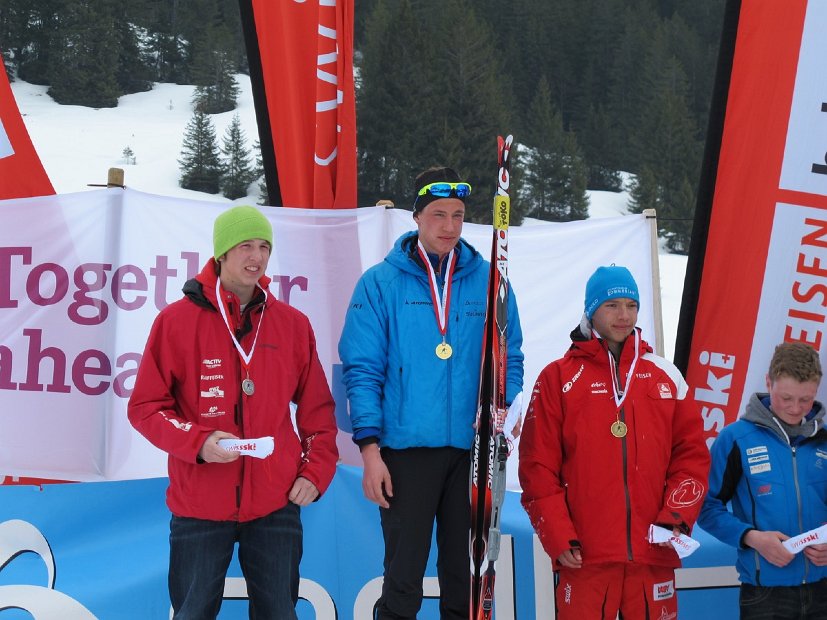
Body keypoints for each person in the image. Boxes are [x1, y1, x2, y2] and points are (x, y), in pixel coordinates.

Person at [128, 205, 338, 619]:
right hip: (200, 504)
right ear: (221, 253)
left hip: (275, 502)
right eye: (245, 246)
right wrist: (199, 442)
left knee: (279, 613)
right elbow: (146, 408)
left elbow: (318, 410)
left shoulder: (292, 324)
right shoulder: (176, 321)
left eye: (264, 247)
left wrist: (315, 472)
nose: (256, 257)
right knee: (192, 613)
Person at [338, 166, 524, 619]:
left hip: (471, 453)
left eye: (458, 215)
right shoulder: (381, 283)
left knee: (466, 579)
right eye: (439, 214)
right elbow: (362, 371)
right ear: (417, 217)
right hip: (405, 453)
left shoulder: (491, 281)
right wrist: (370, 451)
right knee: (403, 580)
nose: (449, 226)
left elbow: (510, 356)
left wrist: (502, 404)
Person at [518, 264, 710, 619]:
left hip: (653, 551)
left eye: (631, 305)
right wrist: (558, 536)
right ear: (592, 309)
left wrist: (675, 518)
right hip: (585, 556)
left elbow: (692, 458)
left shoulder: (665, 375)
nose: (624, 315)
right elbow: (537, 467)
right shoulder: (558, 377)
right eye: (612, 305)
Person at [698, 342, 827, 619]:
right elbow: (706, 507)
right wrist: (752, 538)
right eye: (786, 397)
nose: (795, 408)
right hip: (765, 596)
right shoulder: (735, 439)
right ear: (769, 383)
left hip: (823, 589)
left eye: (805, 400)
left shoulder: (825, 439)